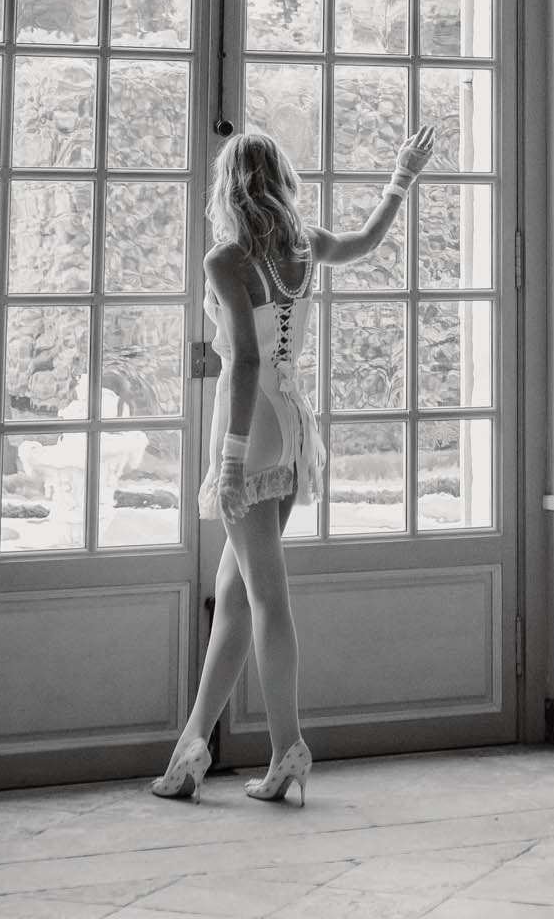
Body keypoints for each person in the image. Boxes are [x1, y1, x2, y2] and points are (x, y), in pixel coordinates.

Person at [151, 119, 436, 806]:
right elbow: (366, 243)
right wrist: (402, 176)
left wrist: (229, 464)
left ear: (228, 187)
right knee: (235, 598)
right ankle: (191, 751)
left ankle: (287, 750)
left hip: (251, 427)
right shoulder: (303, 247)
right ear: (278, 181)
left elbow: (244, 359)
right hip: (294, 417)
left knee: (267, 598)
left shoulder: (227, 259)